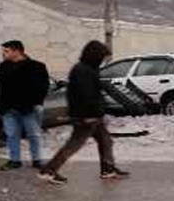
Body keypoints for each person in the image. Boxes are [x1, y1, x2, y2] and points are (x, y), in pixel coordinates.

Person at [39, 40, 130, 185]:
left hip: (93, 115)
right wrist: (88, 115)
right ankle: (49, 170)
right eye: (102, 57)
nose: (102, 61)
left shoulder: (88, 69)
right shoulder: (82, 71)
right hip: (86, 116)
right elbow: (83, 96)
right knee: (73, 145)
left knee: (105, 141)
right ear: (94, 55)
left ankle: (107, 169)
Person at [0, 40, 50, 171]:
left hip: (29, 108)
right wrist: (0, 105)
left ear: (17, 51)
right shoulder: (4, 66)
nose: (3, 53)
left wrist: (34, 103)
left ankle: (37, 160)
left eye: (6, 51)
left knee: (34, 135)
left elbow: (43, 87)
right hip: (8, 108)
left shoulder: (36, 66)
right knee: (12, 134)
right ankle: (14, 160)